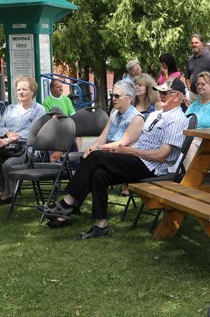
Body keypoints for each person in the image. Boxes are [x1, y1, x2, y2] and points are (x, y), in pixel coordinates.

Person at [41, 78, 190, 239]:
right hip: (138, 159)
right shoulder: (156, 114)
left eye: (165, 92)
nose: (160, 95)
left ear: (177, 96)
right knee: (99, 173)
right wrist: (126, 151)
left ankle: (67, 204)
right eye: (160, 91)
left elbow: (161, 156)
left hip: (152, 167)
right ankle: (100, 225)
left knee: (95, 156)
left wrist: (128, 151)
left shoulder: (177, 119)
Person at [0, 76, 47, 207]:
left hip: (27, 149)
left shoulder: (39, 110)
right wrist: (7, 133)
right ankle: (4, 191)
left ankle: (7, 195)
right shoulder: (10, 109)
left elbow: (34, 132)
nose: (21, 92)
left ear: (32, 91)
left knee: (8, 165)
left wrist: (10, 139)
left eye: (24, 89)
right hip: (7, 149)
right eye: (18, 89)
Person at [84, 81, 144, 153]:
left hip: (122, 156)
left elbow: (123, 143)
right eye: (112, 95)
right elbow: (102, 138)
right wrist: (91, 149)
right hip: (107, 153)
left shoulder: (137, 118)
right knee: (87, 156)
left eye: (117, 96)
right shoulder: (114, 114)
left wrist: (98, 148)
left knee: (95, 157)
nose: (113, 98)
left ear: (129, 99)